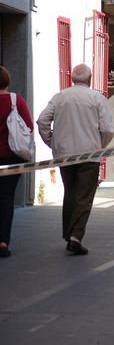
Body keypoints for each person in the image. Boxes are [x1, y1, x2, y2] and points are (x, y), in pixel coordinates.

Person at [37, 63, 114, 255]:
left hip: (65, 154)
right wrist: (100, 146)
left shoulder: (60, 97)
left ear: (73, 78)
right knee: (84, 197)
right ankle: (75, 237)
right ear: (89, 79)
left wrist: (52, 142)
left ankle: (69, 234)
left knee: (70, 193)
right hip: (89, 154)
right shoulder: (97, 98)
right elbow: (107, 129)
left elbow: (42, 120)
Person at [0, 66, 34, 257]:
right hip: (12, 157)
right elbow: (28, 126)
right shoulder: (16, 100)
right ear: (7, 80)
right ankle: (3, 241)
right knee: (6, 198)